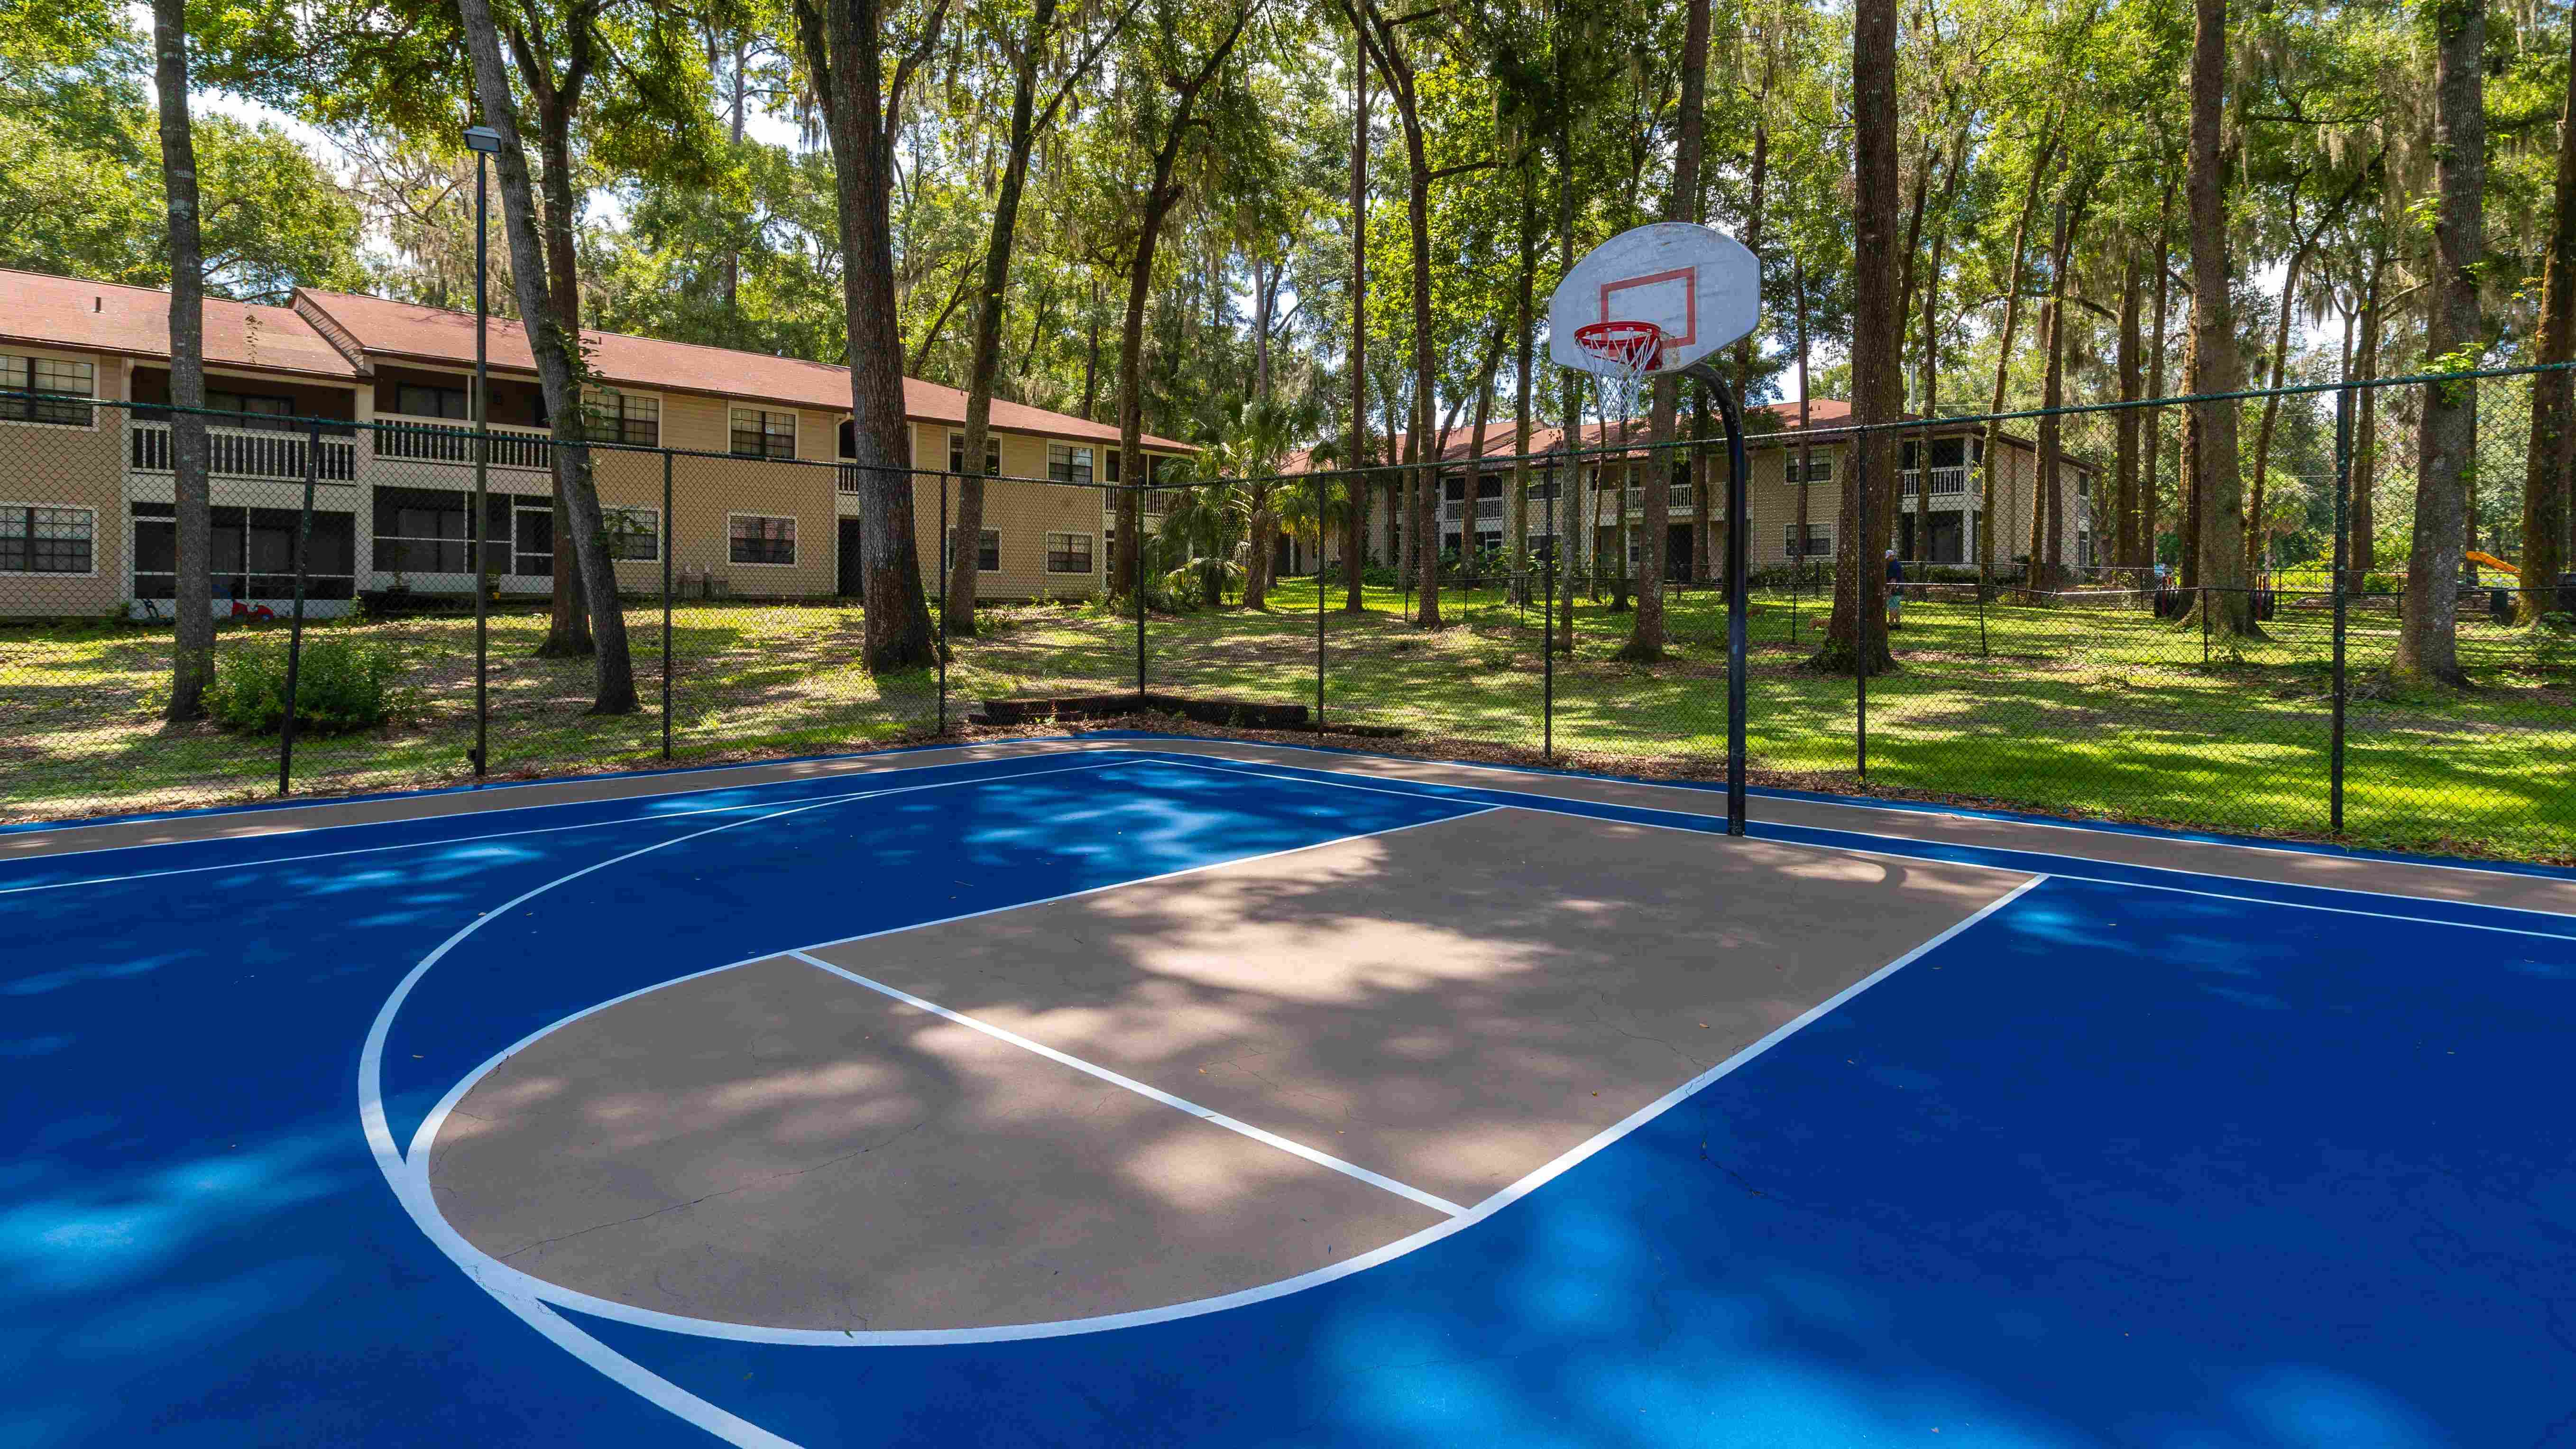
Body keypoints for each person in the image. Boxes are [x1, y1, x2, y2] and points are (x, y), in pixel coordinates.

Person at [1884, 548, 1904, 629]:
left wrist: (1889, 591)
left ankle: (1891, 624)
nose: (1887, 560)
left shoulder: (1893, 566)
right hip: (1899, 588)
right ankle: (1898, 624)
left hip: (1895, 588)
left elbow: (1893, 579)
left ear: (1891, 557)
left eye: (1888, 558)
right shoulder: (1897, 564)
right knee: (1897, 606)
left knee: (1892, 607)